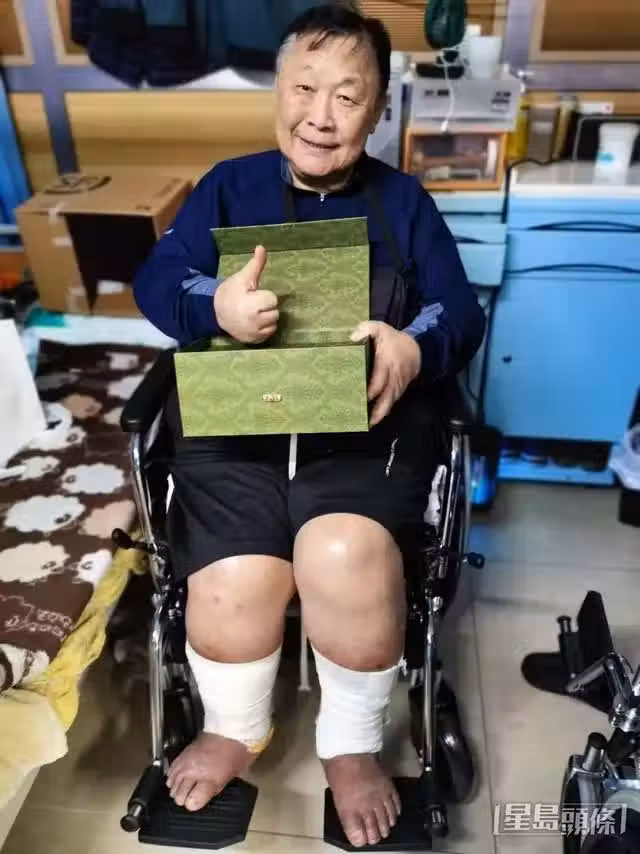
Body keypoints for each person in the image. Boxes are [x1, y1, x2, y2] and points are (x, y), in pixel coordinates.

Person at [133, 3, 485, 848]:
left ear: (378, 110)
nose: (321, 115)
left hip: (364, 436)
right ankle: (234, 728)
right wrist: (214, 305)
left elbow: (458, 311)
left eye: (348, 96)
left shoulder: (405, 202)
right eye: (304, 88)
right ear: (278, 90)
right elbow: (159, 281)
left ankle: (351, 747)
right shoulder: (228, 186)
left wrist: (412, 346)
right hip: (236, 430)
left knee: (342, 553)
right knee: (233, 576)